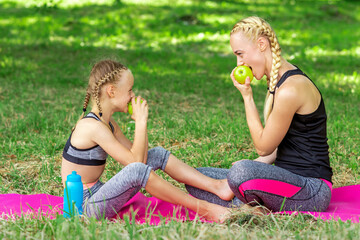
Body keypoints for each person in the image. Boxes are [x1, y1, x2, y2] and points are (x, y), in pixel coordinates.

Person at [186, 16, 333, 212]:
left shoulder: (291, 88)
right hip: (284, 180)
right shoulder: (276, 81)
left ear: (261, 44)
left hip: (311, 190)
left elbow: (263, 147)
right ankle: (248, 199)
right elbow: (275, 149)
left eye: (240, 54)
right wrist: (254, 166)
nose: (239, 63)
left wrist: (247, 97)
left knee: (240, 172)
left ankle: (244, 198)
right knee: (197, 178)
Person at [61, 59, 233, 222]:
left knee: (156, 154)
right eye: (129, 90)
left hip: (97, 192)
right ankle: (205, 209)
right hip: (82, 207)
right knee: (136, 171)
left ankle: (217, 186)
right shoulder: (93, 127)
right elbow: (135, 164)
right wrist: (141, 122)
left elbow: (140, 158)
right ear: (111, 91)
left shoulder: (108, 124)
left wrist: (141, 123)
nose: (133, 95)